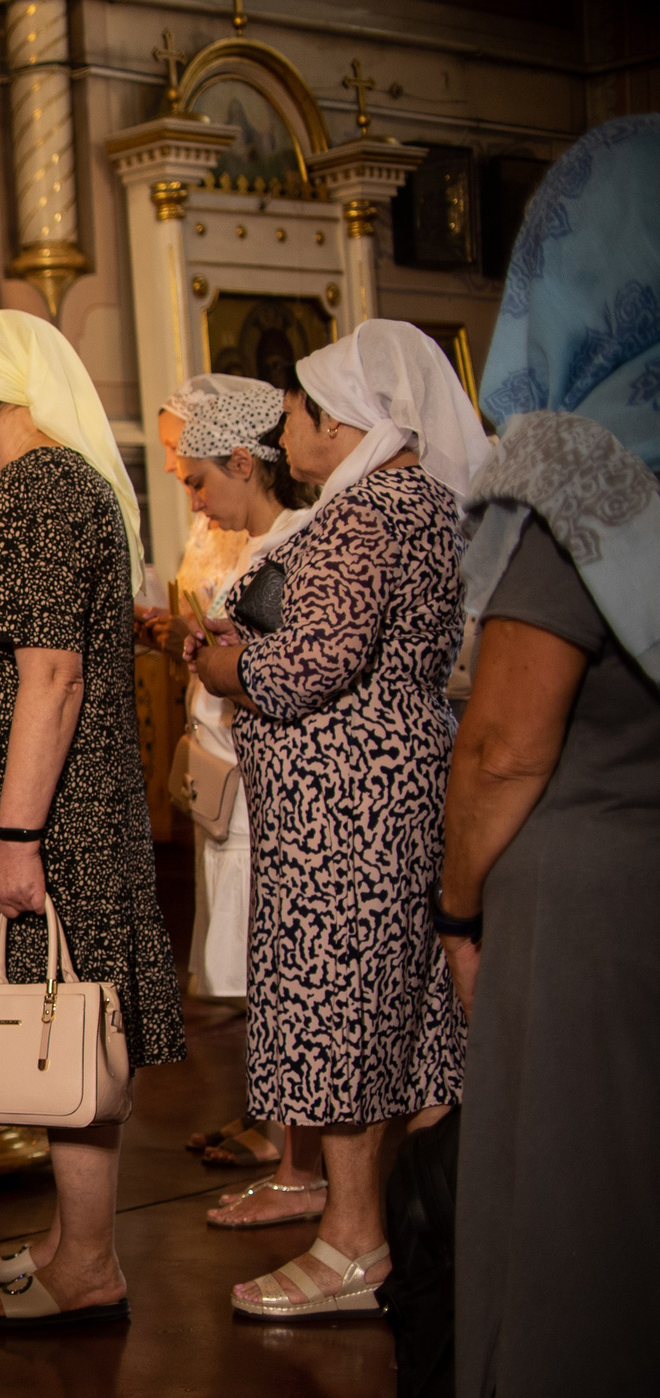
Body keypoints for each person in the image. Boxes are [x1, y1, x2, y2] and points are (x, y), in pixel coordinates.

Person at [435, 117, 660, 1398]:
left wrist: (456, 908)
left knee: (576, 1276)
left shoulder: (586, 457)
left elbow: (507, 738)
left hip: (586, 919)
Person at [186, 320, 484, 1318]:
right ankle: (426, 1222)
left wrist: (223, 663)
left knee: (339, 1004)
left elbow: (306, 664)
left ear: (347, 422)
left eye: (305, 413)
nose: (292, 429)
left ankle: (354, 1240)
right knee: (405, 1006)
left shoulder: (366, 515)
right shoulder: (430, 504)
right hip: (397, 782)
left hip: (342, 806)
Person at [0, 310, 187, 1327]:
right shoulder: (40, 488)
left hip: (55, 819)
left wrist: (16, 834)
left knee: (67, 1028)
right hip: (54, 811)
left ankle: (89, 1266)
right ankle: (72, 1243)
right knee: (61, 1026)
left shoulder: (43, 486)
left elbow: (52, 671)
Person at [165, 379, 306, 1184]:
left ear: (245, 463)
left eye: (198, 479)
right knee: (248, 955)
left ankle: (289, 1134)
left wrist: (224, 661)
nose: (195, 498)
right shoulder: (250, 547)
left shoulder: (295, 539)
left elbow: (282, 668)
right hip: (231, 771)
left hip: (268, 780)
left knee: (272, 955)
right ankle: (268, 1109)